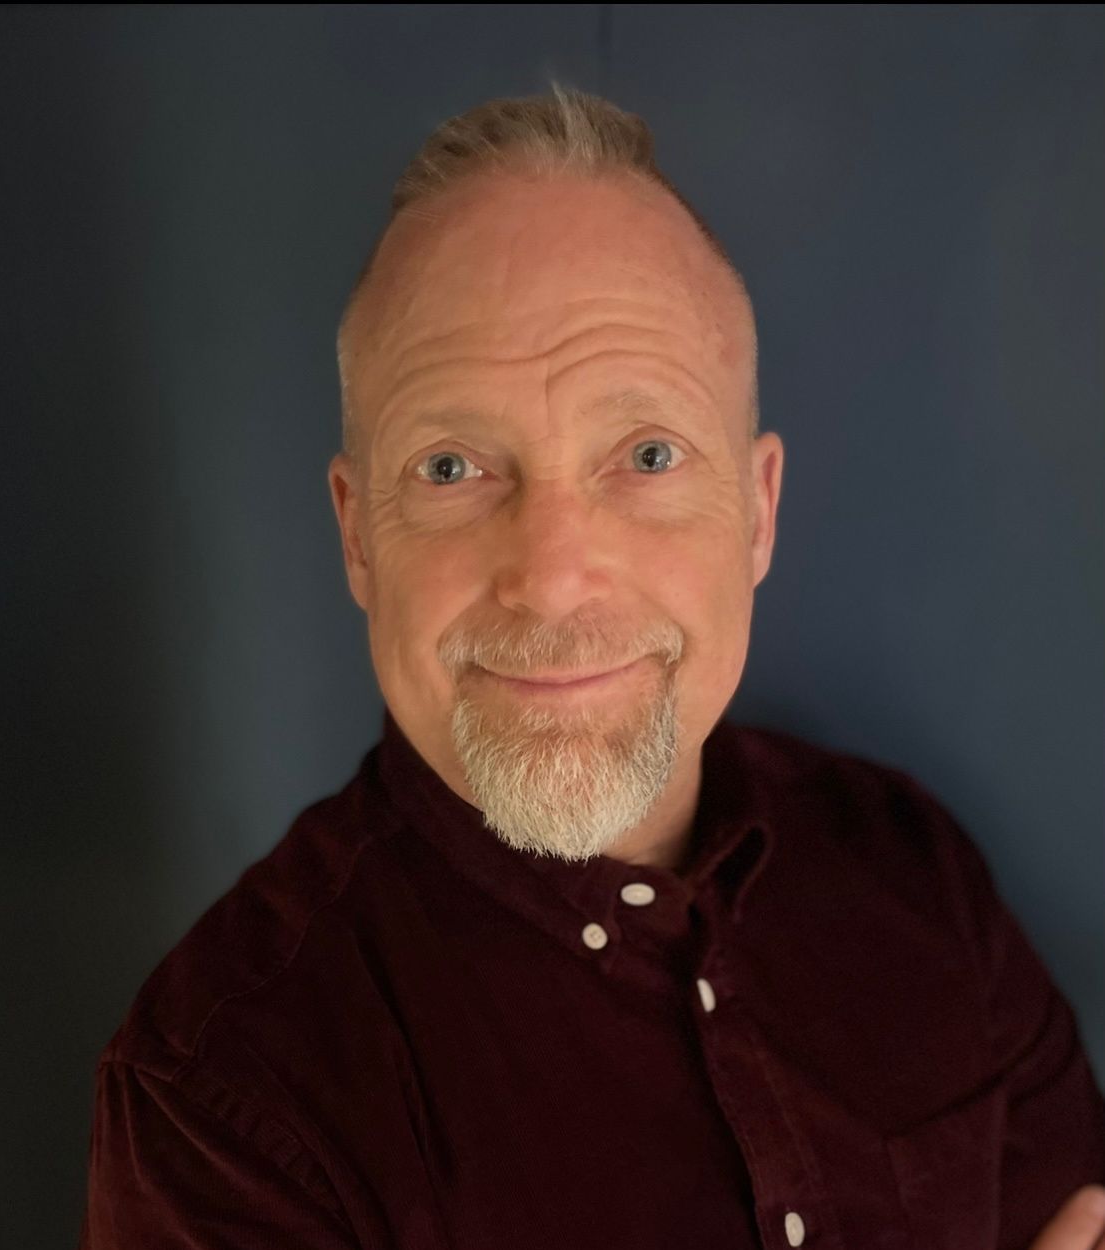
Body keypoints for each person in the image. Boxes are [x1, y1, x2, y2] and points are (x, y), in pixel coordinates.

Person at [79, 87, 1105, 1249]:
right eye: (452, 467)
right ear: (359, 535)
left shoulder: (914, 871)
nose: (555, 576)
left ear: (758, 512)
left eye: (647, 454)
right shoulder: (220, 1103)